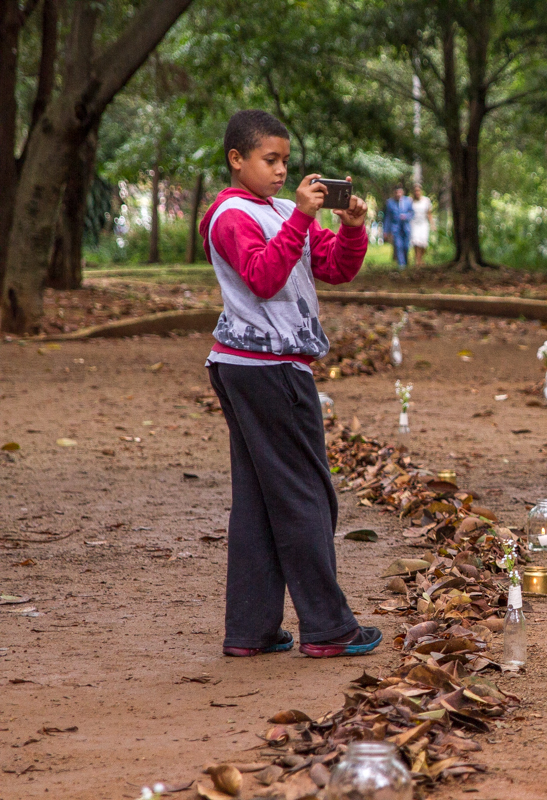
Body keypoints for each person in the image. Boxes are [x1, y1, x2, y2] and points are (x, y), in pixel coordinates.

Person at [200, 109, 384, 659]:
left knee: (259, 500)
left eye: (284, 160)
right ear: (237, 159)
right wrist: (301, 220)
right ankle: (329, 628)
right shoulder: (231, 214)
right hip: (265, 370)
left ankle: (251, 632)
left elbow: (331, 266)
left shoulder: (279, 210)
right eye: (269, 160)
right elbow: (261, 275)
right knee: (308, 496)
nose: (281, 171)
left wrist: (350, 228)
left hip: (259, 368)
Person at [382, 185, 413, 268]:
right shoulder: (390, 203)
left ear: (402, 192)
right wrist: (385, 231)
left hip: (406, 227)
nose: (398, 194)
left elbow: (412, 213)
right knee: (398, 246)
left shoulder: (408, 201)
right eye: (396, 192)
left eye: (399, 192)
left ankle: (406, 262)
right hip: (395, 228)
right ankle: (401, 265)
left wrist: (406, 216)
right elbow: (387, 218)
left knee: (406, 246)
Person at [409, 184, 434, 266]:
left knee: (423, 242)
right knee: (416, 242)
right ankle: (417, 260)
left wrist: (432, 224)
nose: (417, 192)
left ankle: (421, 258)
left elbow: (429, 213)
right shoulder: (410, 201)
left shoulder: (426, 200)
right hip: (414, 223)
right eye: (415, 191)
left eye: (418, 190)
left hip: (423, 223)